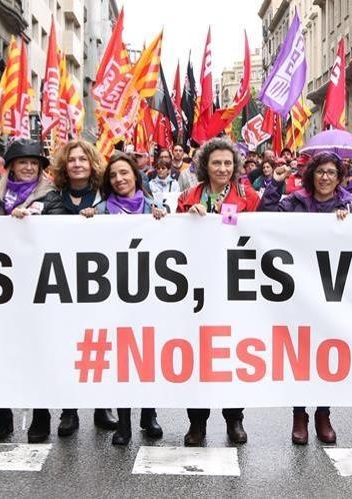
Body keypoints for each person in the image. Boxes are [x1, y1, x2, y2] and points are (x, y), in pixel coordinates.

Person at [20, 139, 117, 443]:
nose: (77, 164)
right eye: (72, 160)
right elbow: (34, 234)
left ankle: (102, 407)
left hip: (98, 286)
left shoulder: (106, 198)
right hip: (59, 287)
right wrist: (22, 219)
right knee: (62, 348)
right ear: (65, 165)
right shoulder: (50, 200)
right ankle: (69, 410)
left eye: (82, 159)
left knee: (98, 347)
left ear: (92, 164)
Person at [261, 151, 352, 445]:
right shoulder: (293, 202)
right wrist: (275, 185)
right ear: (311, 175)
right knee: (301, 356)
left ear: (339, 178)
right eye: (320, 172)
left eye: (331, 172)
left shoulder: (349, 205)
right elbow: (265, 219)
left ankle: (323, 414)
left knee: (327, 354)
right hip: (298, 292)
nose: (325, 177)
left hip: (332, 293)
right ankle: (299, 415)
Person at [0, 140, 64, 443]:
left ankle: (41, 414)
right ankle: (2, 415)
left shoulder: (52, 197)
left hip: (39, 286)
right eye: (22, 162)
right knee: (2, 352)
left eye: (34, 163)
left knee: (39, 351)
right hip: (2, 290)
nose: (28, 167)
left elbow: (60, 233)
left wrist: (33, 223)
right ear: (11, 166)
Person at [176, 139, 257, 446]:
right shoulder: (187, 196)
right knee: (198, 356)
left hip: (234, 286)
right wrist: (187, 217)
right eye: (216, 163)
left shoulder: (249, 196)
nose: (222, 169)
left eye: (227, 163)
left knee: (231, 355)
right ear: (205, 166)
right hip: (195, 287)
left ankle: (234, 419)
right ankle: (197, 423)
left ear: (234, 167)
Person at [84, 152, 167, 445]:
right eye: (114, 175)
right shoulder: (102, 210)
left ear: (135, 176)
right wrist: (87, 220)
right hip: (114, 297)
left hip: (149, 296)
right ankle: (124, 422)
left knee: (147, 357)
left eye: (124, 173)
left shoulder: (153, 207)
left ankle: (149, 414)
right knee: (121, 360)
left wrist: (163, 219)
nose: (119, 179)